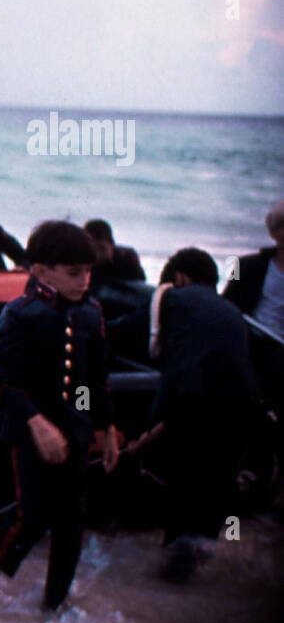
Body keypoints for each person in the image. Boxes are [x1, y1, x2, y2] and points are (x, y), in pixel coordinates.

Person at [0, 220, 119, 613]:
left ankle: (54, 604)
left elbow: (95, 377)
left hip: (74, 429)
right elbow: (4, 379)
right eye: (74, 273)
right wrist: (38, 425)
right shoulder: (20, 314)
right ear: (41, 271)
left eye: (88, 271)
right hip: (29, 431)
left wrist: (105, 428)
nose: (85, 280)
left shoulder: (91, 312)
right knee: (33, 516)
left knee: (71, 521)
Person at [110, 248, 262, 582]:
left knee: (182, 487)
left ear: (179, 278)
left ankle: (167, 581)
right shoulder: (232, 312)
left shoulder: (173, 298)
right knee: (212, 492)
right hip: (246, 405)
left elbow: (120, 333)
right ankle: (193, 568)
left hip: (193, 398)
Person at [223, 198, 284, 339]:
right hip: (250, 340)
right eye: (282, 226)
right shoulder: (243, 265)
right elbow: (226, 304)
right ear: (273, 232)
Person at [83, 219, 146, 285]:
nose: (97, 254)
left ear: (111, 244)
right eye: (92, 249)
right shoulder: (83, 262)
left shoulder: (126, 258)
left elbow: (140, 285)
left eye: (101, 248)